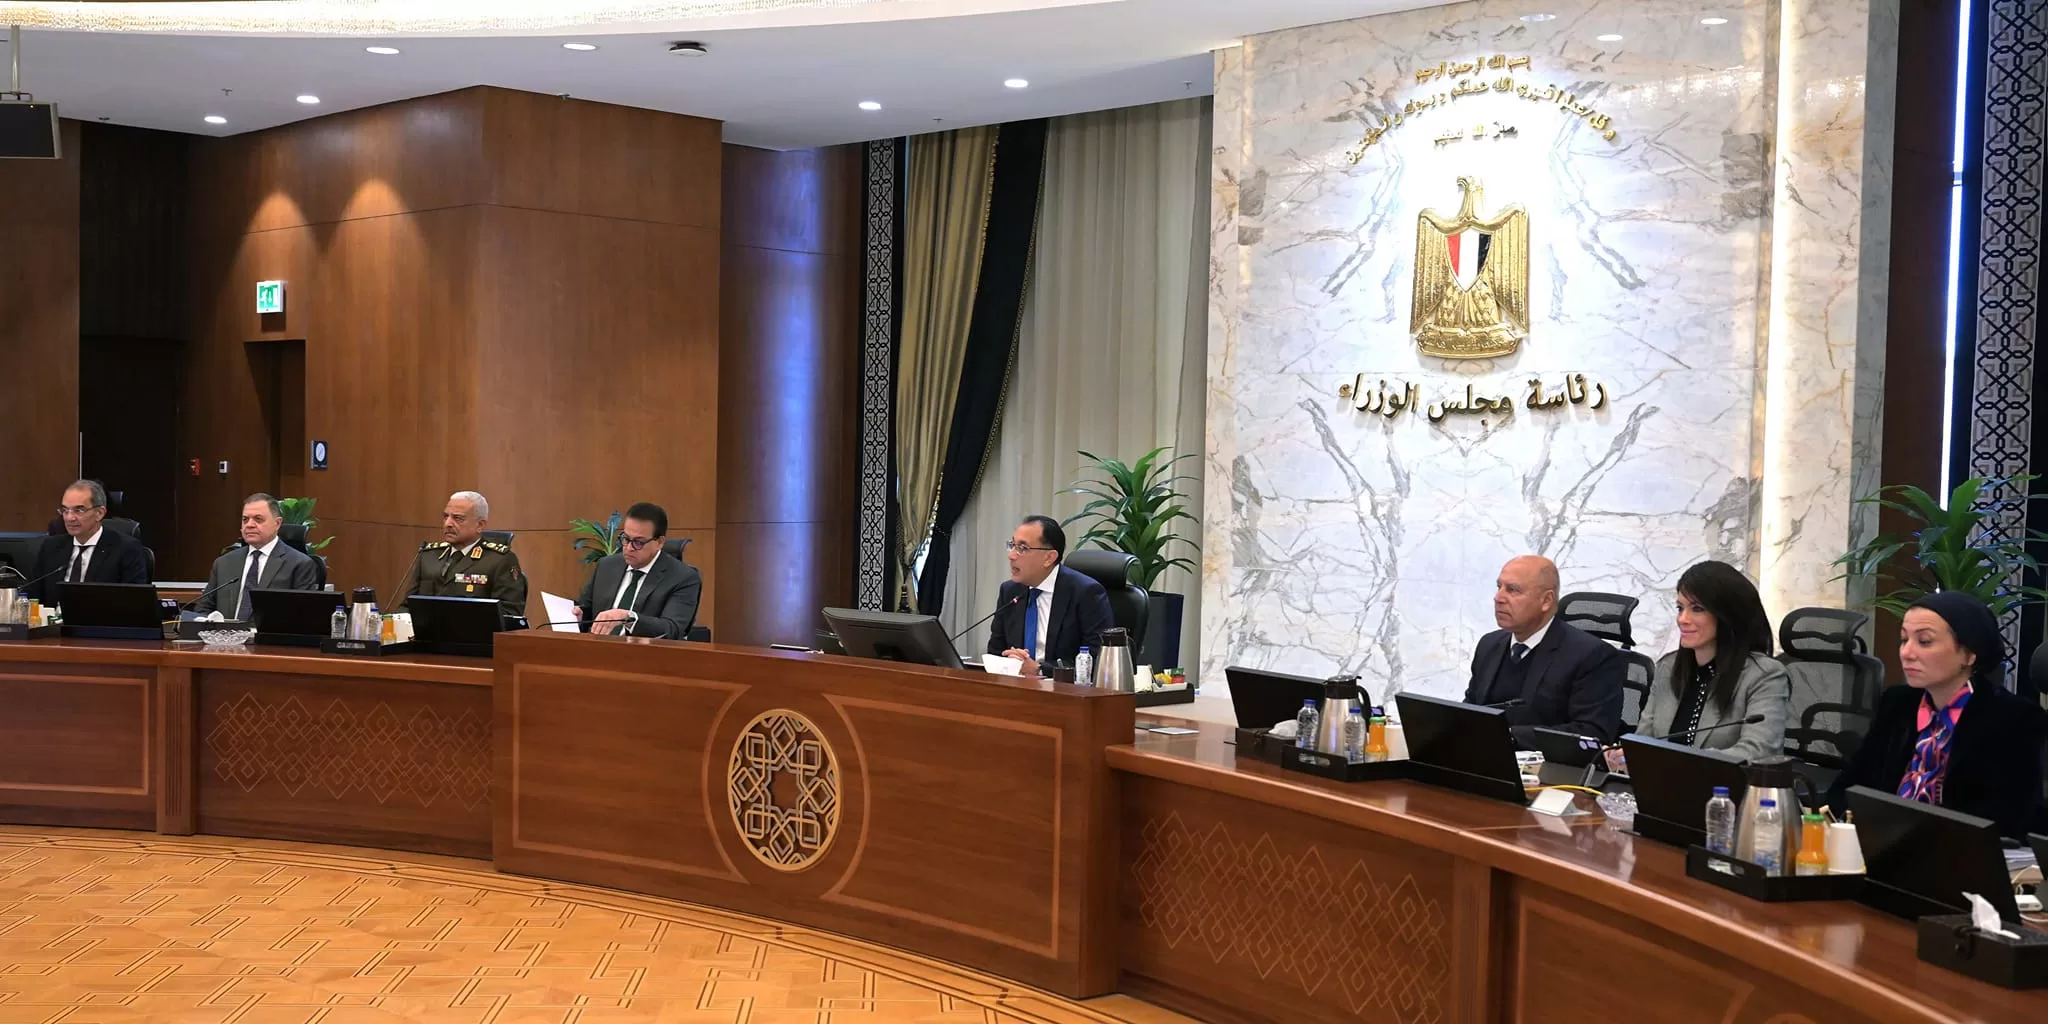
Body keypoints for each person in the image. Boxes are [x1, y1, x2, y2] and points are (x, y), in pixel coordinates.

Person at [1825, 591, 2047, 838]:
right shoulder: (1898, 703)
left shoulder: (2015, 719)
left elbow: (2008, 821)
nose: (1906, 652)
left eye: (1925, 641)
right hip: (1883, 843)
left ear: (1969, 654)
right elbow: (1852, 784)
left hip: (1954, 851)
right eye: (1904, 639)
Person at [1626, 561, 1788, 764]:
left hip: (1726, 784)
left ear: (1728, 615)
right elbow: (1644, 741)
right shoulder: (1667, 667)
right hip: (1660, 781)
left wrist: (1680, 764)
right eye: (1680, 608)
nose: (1682, 619)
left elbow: (1758, 751)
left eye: (1697, 608)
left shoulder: (1764, 675)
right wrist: (1625, 757)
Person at [1463, 555, 1625, 744]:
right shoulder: (1489, 644)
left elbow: (1591, 733)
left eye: (1513, 590)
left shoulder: (1592, 656)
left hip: (1547, 761)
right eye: (1499, 587)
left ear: (1546, 600)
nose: (1498, 598)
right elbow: (1471, 709)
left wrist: (1508, 737)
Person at [985, 515, 1115, 678]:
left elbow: (1098, 659)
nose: (1011, 555)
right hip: (1016, 685)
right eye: (1012, 545)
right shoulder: (1010, 591)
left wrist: (1040, 669)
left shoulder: (1086, 593)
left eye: (1022, 548)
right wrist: (1010, 660)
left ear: (1048, 558)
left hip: (1063, 688)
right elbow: (996, 651)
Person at [572, 502, 701, 638]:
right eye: (626, 538)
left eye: (638, 542)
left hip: (643, 650)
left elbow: (672, 629)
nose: (629, 548)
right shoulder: (607, 566)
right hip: (599, 647)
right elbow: (587, 609)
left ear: (660, 542)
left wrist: (629, 618)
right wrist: (579, 615)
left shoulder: (683, 578)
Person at [396, 491, 527, 620]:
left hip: (471, 633)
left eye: (457, 518)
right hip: (425, 632)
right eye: (445, 516)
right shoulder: (429, 556)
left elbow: (509, 614)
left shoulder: (499, 560)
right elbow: (407, 606)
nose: (448, 524)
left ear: (480, 525)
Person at [192, 493, 322, 617]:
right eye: (245, 519)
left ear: (277, 523)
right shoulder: (224, 563)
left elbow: (303, 615)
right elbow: (203, 609)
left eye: (258, 519)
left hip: (269, 633)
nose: (249, 525)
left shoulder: (299, 564)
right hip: (226, 632)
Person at [24, 480, 151, 604]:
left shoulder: (126, 549)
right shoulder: (51, 547)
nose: (69, 518)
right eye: (65, 510)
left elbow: (134, 602)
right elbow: (32, 595)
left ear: (99, 513)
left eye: (79, 510)